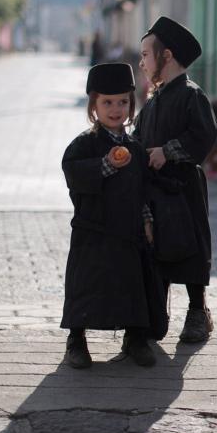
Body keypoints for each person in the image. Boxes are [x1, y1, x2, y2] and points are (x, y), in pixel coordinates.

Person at [61, 63, 157, 368]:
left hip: (128, 232)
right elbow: (73, 173)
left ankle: (135, 337)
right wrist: (105, 165)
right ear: (94, 107)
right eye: (107, 102)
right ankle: (76, 339)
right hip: (93, 231)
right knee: (87, 285)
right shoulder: (84, 145)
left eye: (123, 102)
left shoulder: (135, 149)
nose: (116, 109)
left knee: (131, 283)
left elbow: (141, 188)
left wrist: (146, 218)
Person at [135, 16, 217, 344]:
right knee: (158, 249)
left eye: (146, 54)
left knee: (191, 248)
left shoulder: (191, 95)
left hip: (183, 189)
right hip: (154, 191)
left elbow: (204, 134)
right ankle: (157, 311)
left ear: (166, 56)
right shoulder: (152, 101)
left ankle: (198, 311)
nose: (141, 62)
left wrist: (168, 151)